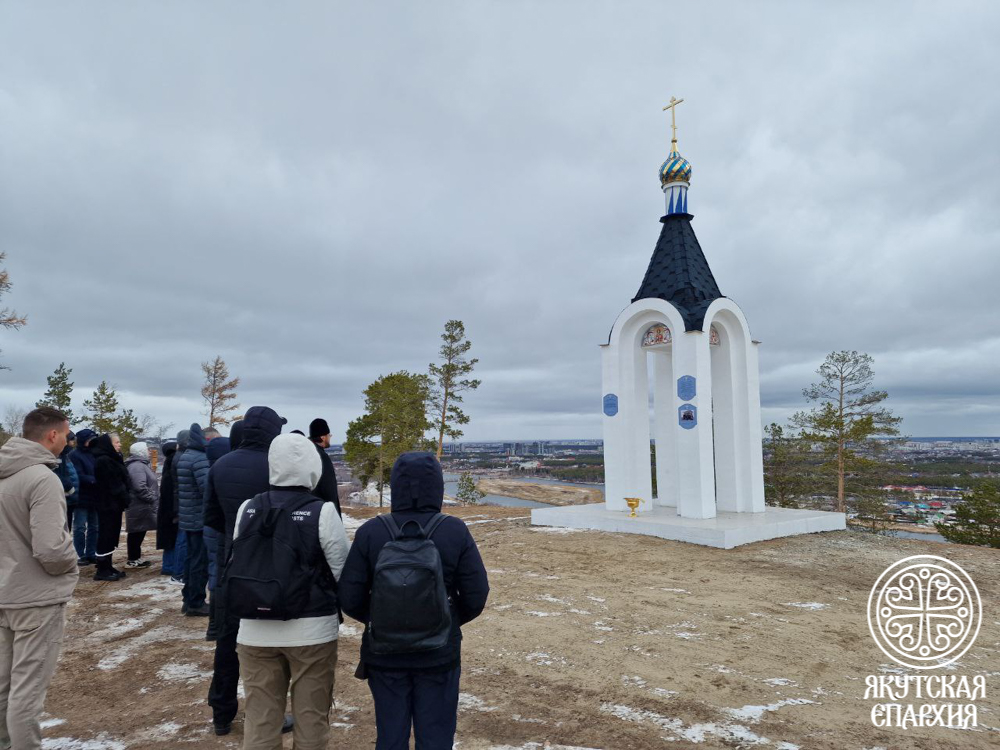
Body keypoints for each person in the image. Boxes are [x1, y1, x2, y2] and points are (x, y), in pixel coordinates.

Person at [340, 452, 490, 750]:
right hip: (439, 652)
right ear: (437, 486)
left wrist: (380, 617)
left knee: (390, 735)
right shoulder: (453, 530)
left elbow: (349, 596)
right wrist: (444, 616)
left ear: (396, 485)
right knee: (435, 736)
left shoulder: (371, 532)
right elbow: (476, 594)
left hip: (383, 652)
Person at [231, 433, 349, 748]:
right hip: (312, 632)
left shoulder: (247, 509)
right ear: (313, 468)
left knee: (260, 720)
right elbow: (342, 571)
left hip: (254, 630)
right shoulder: (321, 512)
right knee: (311, 720)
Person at [203, 407, 288, 736]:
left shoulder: (220, 465)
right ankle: (270, 715)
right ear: (270, 432)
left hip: (232, 566)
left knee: (227, 643)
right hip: (272, 568)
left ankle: (221, 713)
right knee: (270, 648)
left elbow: (210, 518)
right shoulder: (277, 466)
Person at [0, 407, 78, 750]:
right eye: (65, 435)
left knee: (3, 685)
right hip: (35, 599)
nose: (67, 441)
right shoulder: (42, 478)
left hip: (4, 593)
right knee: (27, 690)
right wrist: (70, 563)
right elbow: (51, 550)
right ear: (52, 435)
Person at [177, 424, 210, 616]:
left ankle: (187, 598)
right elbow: (207, 488)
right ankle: (196, 601)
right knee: (199, 561)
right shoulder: (199, 459)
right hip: (199, 518)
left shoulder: (185, 456)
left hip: (189, 517)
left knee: (191, 559)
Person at [91, 433, 131, 581]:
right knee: (106, 535)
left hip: (114, 504)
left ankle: (108, 565)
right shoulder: (103, 460)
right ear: (108, 444)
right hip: (107, 504)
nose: (119, 445)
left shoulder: (113, 458)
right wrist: (124, 495)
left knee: (112, 535)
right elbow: (113, 483)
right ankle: (102, 568)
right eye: (116, 442)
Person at [203, 428, 230, 642]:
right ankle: (216, 623)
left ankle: (213, 624)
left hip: (210, 529)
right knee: (218, 574)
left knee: (214, 571)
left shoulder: (211, 471)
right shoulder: (222, 474)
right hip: (219, 530)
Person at [124, 442, 159, 568]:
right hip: (139, 505)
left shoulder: (140, 465)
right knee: (136, 532)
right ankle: (133, 559)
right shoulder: (137, 466)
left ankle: (135, 557)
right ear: (140, 451)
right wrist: (152, 497)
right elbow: (139, 486)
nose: (149, 451)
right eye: (147, 449)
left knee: (139, 531)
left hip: (141, 505)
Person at [68, 428, 99, 566]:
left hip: (95, 496)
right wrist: (95, 479)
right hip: (81, 496)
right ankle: (81, 554)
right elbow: (77, 475)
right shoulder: (74, 455)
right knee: (80, 527)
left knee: (95, 526)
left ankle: (91, 553)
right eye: (90, 439)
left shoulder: (95, 454)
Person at [156, 439, 183, 579]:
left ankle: (168, 566)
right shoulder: (176, 464)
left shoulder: (168, 465)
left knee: (169, 540)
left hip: (166, 509)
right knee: (175, 538)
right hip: (173, 509)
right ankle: (171, 566)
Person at [307, 418, 342, 516]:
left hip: (308, 510)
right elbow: (329, 490)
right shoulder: (322, 457)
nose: (330, 438)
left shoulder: (306, 453)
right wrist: (336, 516)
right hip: (322, 512)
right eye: (329, 435)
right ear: (323, 437)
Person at [54, 431, 79, 529]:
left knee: (67, 528)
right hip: (64, 496)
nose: (73, 444)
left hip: (70, 498)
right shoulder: (58, 456)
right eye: (72, 441)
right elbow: (59, 474)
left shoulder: (66, 456)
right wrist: (69, 487)